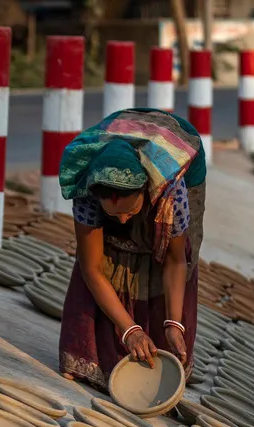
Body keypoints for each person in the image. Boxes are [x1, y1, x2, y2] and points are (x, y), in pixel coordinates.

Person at [57, 108, 206, 391]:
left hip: (183, 152)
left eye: (130, 211)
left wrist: (174, 322)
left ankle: (164, 341)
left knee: (162, 250)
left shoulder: (172, 193)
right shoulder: (88, 192)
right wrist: (130, 330)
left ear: (145, 192)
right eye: (114, 214)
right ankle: (90, 358)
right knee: (110, 251)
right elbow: (91, 268)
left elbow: (175, 262)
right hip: (111, 159)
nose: (123, 220)